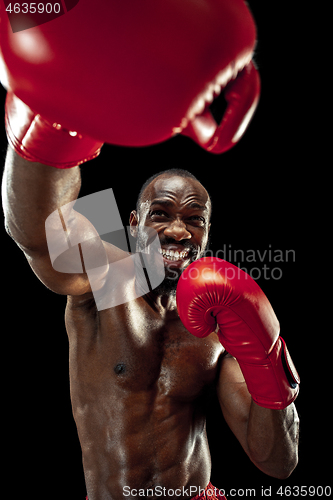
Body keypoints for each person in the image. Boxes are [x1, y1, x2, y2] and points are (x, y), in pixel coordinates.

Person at [2, 94, 300, 500]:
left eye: (194, 220)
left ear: (208, 233)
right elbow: (37, 232)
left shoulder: (218, 318)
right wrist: (52, 114)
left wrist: (268, 356)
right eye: (161, 213)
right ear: (133, 222)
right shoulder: (104, 274)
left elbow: (277, 462)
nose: (179, 232)